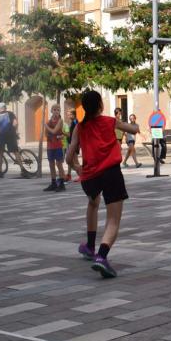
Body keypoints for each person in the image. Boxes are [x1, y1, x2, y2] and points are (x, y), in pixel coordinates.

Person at [67, 91, 139, 278]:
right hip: (111, 173)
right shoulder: (110, 122)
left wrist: (77, 168)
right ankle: (102, 256)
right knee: (113, 220)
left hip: (90, 176)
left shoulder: (79, 128)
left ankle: (90, 246)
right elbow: (133, 129)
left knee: (93, 204)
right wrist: (134, 125)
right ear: (101, 105)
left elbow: (69, 157)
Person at [43, 104, 67, 192]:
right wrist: (50, 133)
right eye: (54, 110)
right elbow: (46, 134)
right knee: (51, 164)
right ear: (51, 111)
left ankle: (61, 184)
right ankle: (53, 183)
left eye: (58, 110)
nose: (56, 111)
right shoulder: (49, 121)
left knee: (59, 164)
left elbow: (54, 131)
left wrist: (46, 126)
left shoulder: (60, 121)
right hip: (50, 146)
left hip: (58, 146)